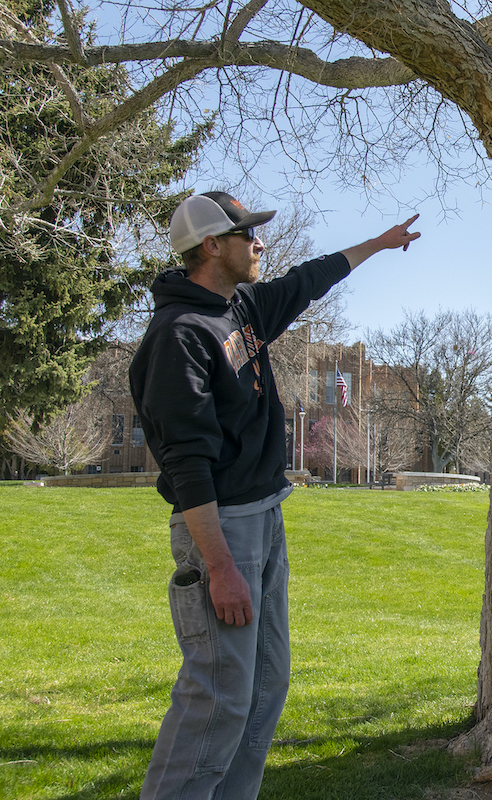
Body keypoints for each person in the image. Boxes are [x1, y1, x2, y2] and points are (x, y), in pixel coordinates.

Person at [129, 191, 419, 799]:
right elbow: (187, 465)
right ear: (212, 246)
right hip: (221, 529)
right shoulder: (179, 336)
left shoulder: (243, 309)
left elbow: (309, 279)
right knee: (218, 694)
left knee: (264, 688)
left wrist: (379, 243)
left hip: (263, 517)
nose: (260, 243)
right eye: (248, 235)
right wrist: (219, 568)